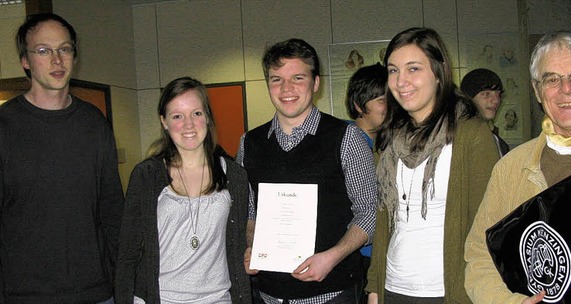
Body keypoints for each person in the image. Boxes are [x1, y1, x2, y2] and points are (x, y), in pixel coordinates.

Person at [465, 30, 571, 304]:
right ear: (537, 91)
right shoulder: (510, 168)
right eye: (552, 79)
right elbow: (479, 256)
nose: (566, 88)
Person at [365, 27, 500, 304]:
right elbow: (384, 220)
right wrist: (375, 287)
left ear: (438, 74)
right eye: (393, 70)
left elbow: (488, 223)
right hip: (394, 286)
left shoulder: (470, 134)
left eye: (413, 69)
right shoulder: (390, 139)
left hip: (448, 290)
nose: (401, 81)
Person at [237, 38, 377, 304]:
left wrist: (333, 256)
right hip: (269, 295)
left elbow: (369, 211)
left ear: (315, 83)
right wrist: (253, 246)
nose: (286, 88)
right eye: (276, 79)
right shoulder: (249, 143)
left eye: (297, 78)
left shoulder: (346, 138)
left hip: (331, 292)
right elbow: (250, 210)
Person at [0, 13, 123, 303]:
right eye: (43, 50)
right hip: (25, 294)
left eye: (64, 49)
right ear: (25, 61)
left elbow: (112, 210)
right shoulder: (5, 126)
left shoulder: (94, 123)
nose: (57, 60)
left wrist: (124, 282)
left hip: (96, 291)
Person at [115, 77, 251, 303]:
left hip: (217, 298)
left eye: (196, 113)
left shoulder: (235, 176)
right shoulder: (147, 176)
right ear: (164, 122)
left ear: (207, 117)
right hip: (160, 298)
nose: (188, 125)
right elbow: (127, 253)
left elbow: (237, 250)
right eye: (177, 116)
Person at [345, 62, 388, 302]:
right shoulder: (345, 143)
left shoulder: (388, 145)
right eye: (382, 100)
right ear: (359, 105)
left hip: (382, 252)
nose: (391, 107)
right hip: (356, 256)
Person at [461, 68, 510, 156]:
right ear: (468, 99)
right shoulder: (455, 138)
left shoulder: (500, 144)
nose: (496, 101)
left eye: (498, 94)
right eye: (486, 94)